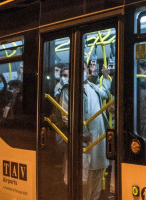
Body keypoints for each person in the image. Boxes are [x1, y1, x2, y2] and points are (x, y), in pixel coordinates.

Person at [59, 62, 111, 200]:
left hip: (99, 140)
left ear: (87, 70)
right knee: (85, 178)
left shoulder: (92, 86)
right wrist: (81, 132)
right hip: (85, 141)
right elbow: (66, 116)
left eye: (82, 68)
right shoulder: (68, 90)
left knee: (97, 174)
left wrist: (106, 76)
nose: (80, 71)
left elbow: (105, 94)